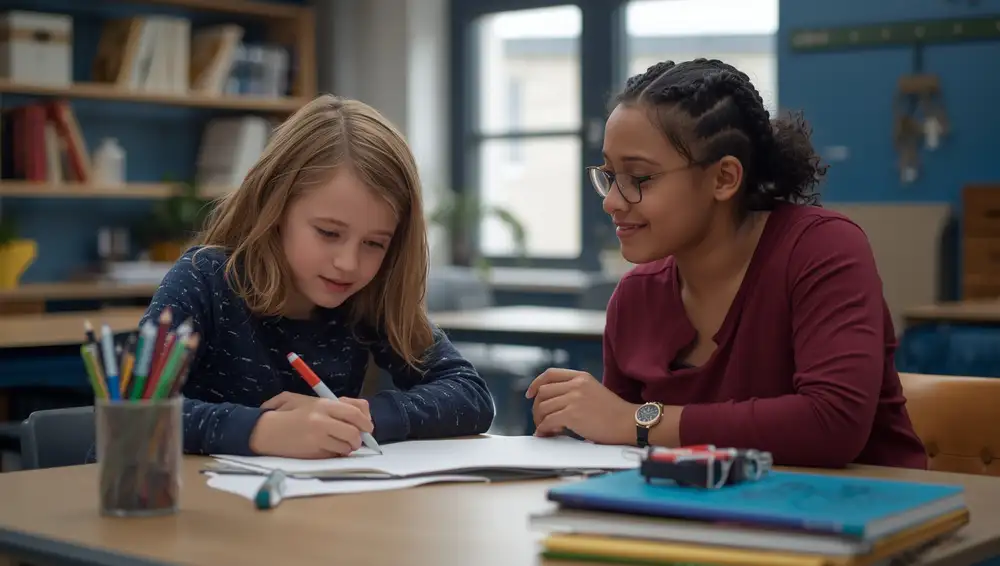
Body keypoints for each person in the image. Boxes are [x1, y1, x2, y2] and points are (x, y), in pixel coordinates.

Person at [525, 59, 927, 469]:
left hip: (865, 515)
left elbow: (831, 424)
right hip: (711, 524)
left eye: (639, 178)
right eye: (609, 175)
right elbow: (623, 452)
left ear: (724, 179)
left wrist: (636, 420)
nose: (611, 201)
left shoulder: (821, 249)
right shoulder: (635, 296)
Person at [143, 95, 494, 458]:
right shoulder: (205, 278)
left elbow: (471, 394)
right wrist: (262, 430)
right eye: (328, 233)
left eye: (374, 243)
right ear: (274, 206)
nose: (348, 263)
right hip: (187, 503)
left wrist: (363, 417)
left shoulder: (368, 296)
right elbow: (136, 410)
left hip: (310, 507)